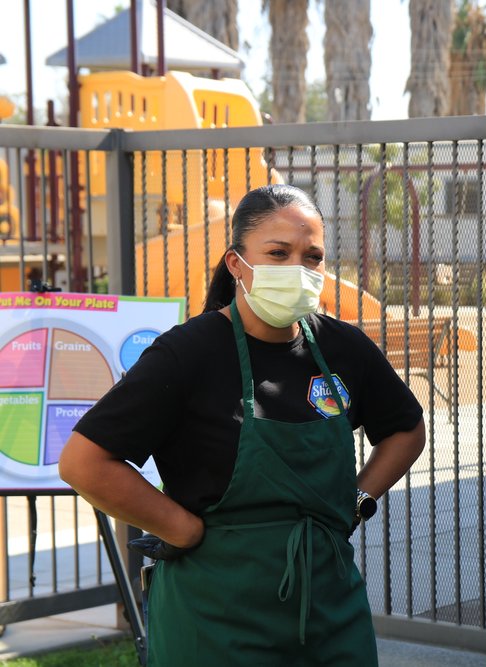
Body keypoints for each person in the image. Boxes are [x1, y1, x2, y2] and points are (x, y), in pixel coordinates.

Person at [59, 184, 426, 666]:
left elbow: (406, 430)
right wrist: (182, 530)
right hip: (214, 614)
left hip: (329, 608)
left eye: (312, 257)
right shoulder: (187, 354)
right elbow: (85, 461)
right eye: (278, 253)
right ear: (237, 264)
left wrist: (356, 502)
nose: (298, 269)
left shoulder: (343, 348)